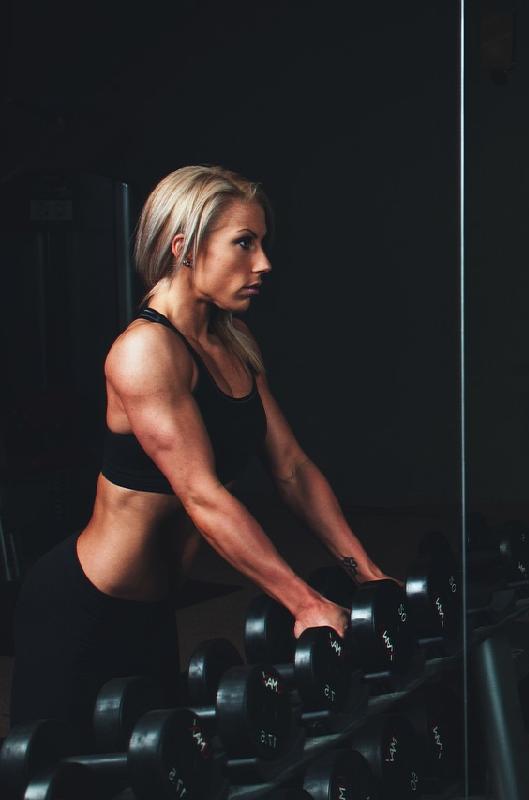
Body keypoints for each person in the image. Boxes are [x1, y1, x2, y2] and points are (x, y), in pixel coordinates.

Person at [10, 165, 391, 729]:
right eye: (243, 243)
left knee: (159, 770)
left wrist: (367, 575)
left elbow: (292, 469)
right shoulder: (144, 352)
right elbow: (203, 496)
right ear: (184, 246)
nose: (263, 263)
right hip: (82, 608)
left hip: (154, 613)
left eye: (262, 243)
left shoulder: (231, 343)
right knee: (58, 781)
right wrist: (304, 602)